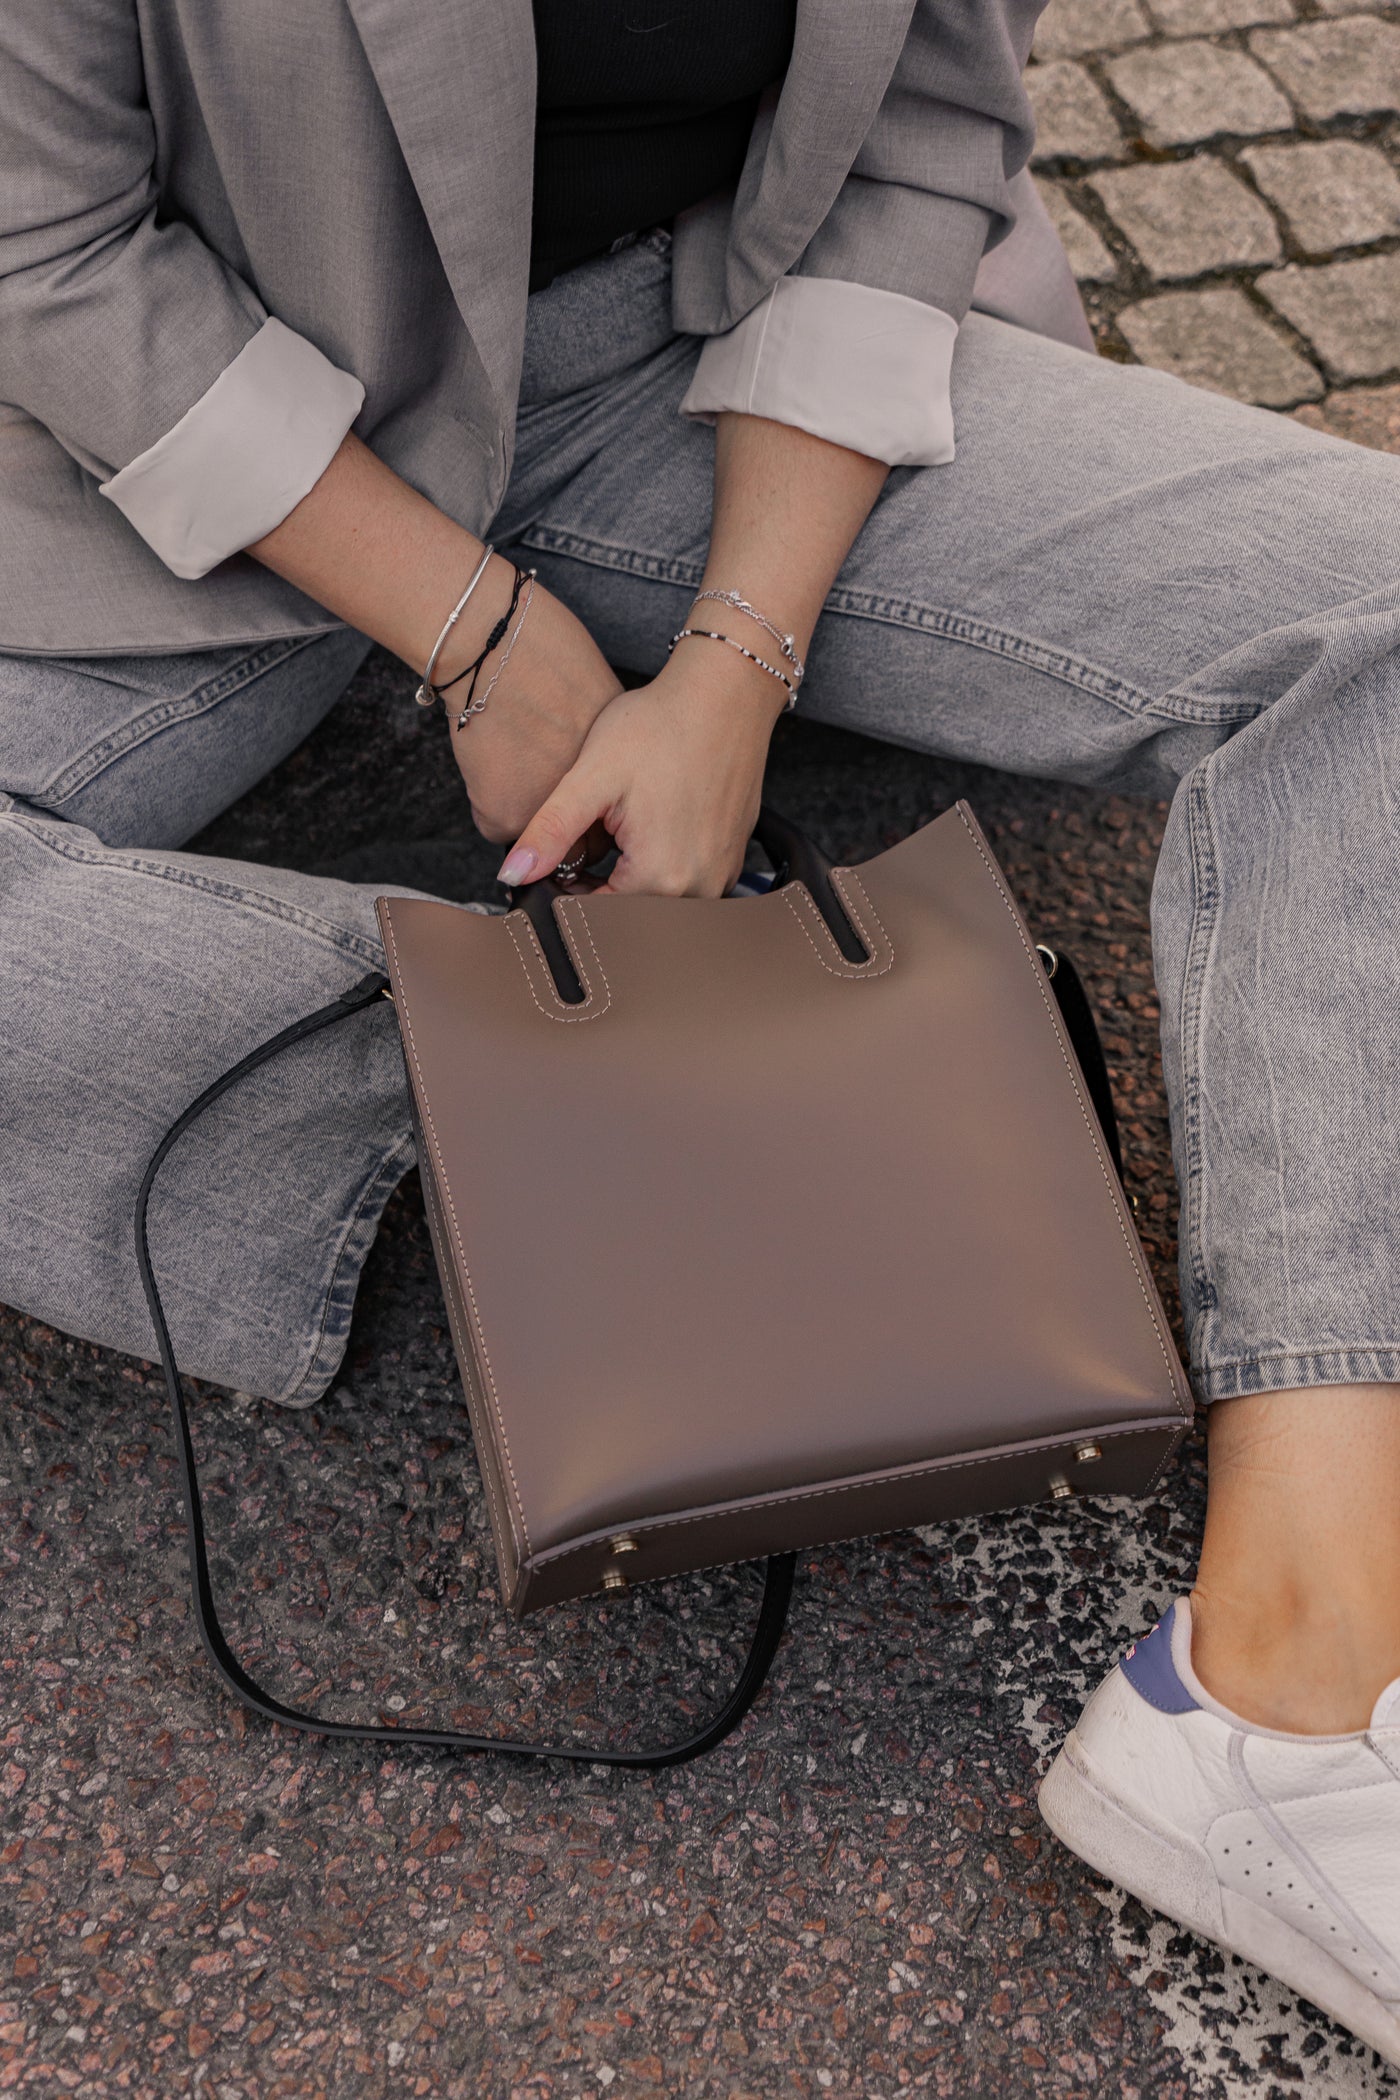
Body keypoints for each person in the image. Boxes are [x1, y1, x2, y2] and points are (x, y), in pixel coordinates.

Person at [1, 0, 1398, 2064]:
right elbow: (48, 248)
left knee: (1369, 618)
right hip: (155, 437)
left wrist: (735, 665)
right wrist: (476, 638)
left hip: (673, 368)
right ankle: (641, 1094)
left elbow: (921, 132)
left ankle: (1290, 1678)